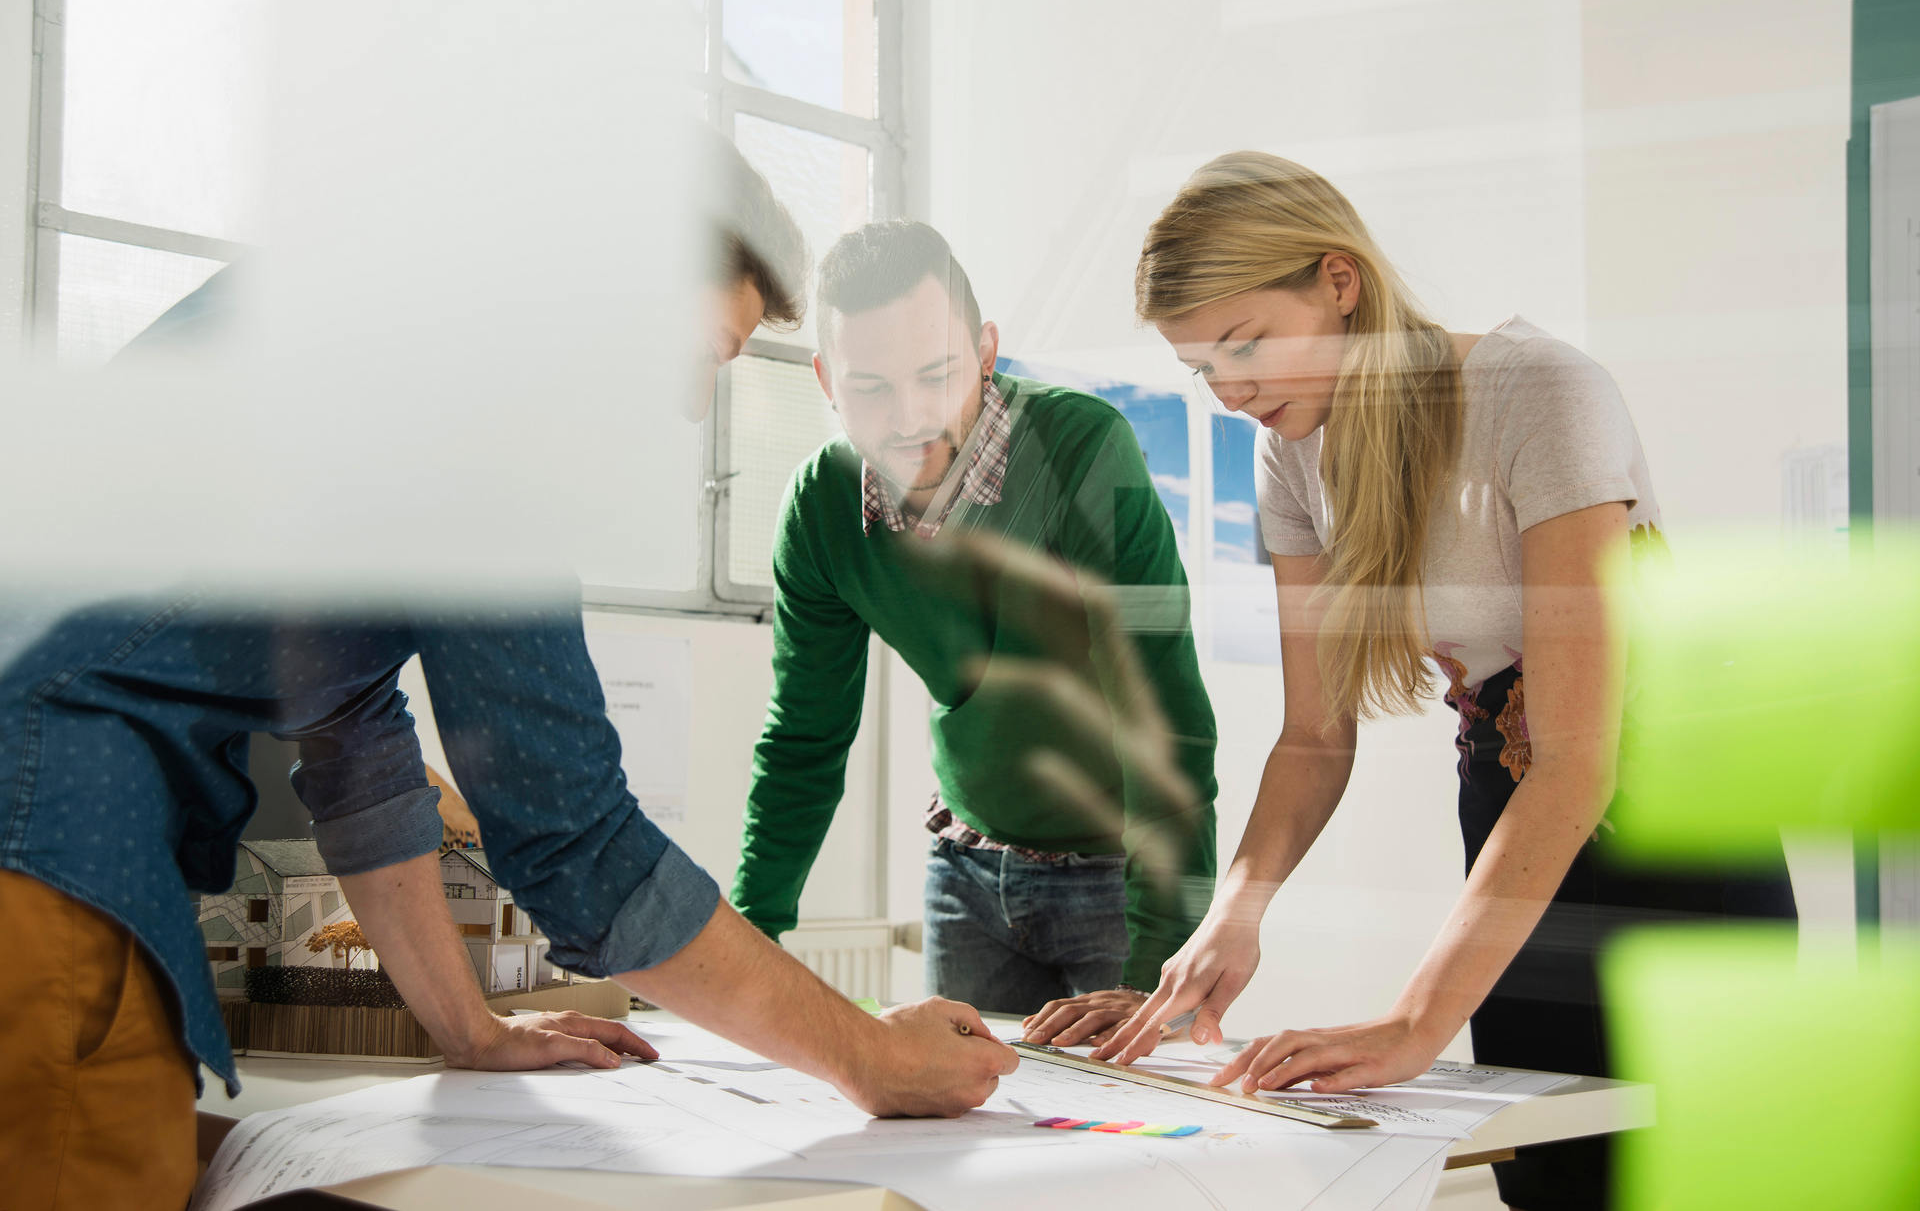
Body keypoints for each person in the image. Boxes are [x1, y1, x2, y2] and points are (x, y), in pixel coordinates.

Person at [0, 139, 1013, 1211]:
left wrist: (470, 1031)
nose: (680, 407)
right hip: (48, 851)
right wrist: (868, 1055)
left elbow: (354, 733)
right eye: (695, 354)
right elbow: (572, 830)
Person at [1023, 152, 1795, 1210]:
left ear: (1339, 280)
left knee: (1715, 1169)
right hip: (1509, 781)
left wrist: (1414, 1023)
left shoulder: (1541, 391)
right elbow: (1313, 735)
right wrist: (1230, 919)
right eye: (1205, 368)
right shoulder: (1292, 453)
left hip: (1676, 800)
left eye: (1247, 344)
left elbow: (1578, 755)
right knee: (1561, 1171)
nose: (1233, 389)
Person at [730, 219, 1219, 1018]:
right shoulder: (820, 507)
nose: (910, 416)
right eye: (871, 388)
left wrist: (1156, 971)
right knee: (955, 1130)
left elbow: (1167, 724)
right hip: (967, 872)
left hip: (1118, 874)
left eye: (937, 374)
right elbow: (804, 740)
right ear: (825, 380)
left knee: (1136, 1126)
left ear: (987, 351)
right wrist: (750, 940)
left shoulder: (1082, 452)